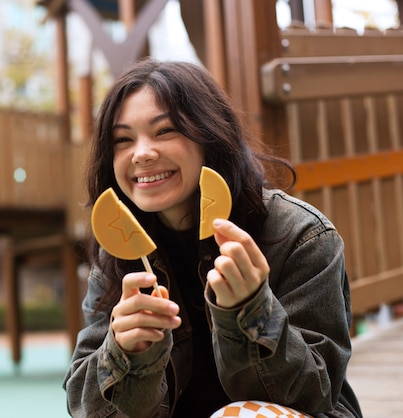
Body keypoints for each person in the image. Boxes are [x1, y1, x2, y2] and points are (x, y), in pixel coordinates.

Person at [63, 58, 362, 418]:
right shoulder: (118, 253)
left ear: (210, 134)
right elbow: (84, 408)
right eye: (123, 140)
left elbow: (314, 395)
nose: (142, 153)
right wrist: (128, 355)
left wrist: (252, 311)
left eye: (165, 130)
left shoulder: (301, 236)